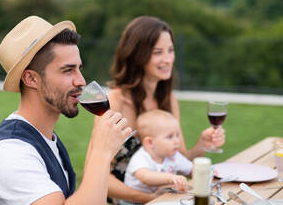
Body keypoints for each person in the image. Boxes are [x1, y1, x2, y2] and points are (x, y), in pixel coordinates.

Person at [0, 15, 132, 205]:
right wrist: (102, 152)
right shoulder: (9, 153)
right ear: (31, 79)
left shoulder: (48, 140)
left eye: (79, 68)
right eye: (68, 70)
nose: (81, 81)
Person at [96, 16, 225, 204]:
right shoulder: (114, 101)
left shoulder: (169, 99)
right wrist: (149, 198)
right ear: (137, 55)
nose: (167, 59)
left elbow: (177, 158)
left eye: (170, 50)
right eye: (158, 52)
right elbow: (100, 176)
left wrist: (202, 144)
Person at [121, 109, 192, 205]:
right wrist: (170, 178)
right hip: (135, 203)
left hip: (161, 199)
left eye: (177, 135)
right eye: (170, 137)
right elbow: (146, 177)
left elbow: (191, 169)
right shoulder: (141, 157)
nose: (177, 141)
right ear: (150, 142)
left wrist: (206, 171)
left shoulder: (173, 155)